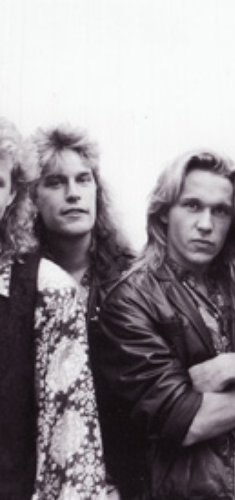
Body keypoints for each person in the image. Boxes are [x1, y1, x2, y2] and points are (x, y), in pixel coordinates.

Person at [98, 150, 235, 499]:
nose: (206, 224)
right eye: (192, 206)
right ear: (163, 212)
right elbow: (186, 420)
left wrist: (230, 368)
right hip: (196, 488)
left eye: (220, 211)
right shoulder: (130, 300)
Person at [0, 118, 107, 498]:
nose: (73, 194)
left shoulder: (49, 289)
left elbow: (71, 449)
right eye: (57, 182)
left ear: (13, 194)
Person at [29, 124, 135, 496]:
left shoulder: (131, 277)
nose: (73, 193)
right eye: (56, 182)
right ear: (32, 197)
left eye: (83, 179)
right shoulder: (22, 284)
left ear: (97, 190)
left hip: (127, 470)